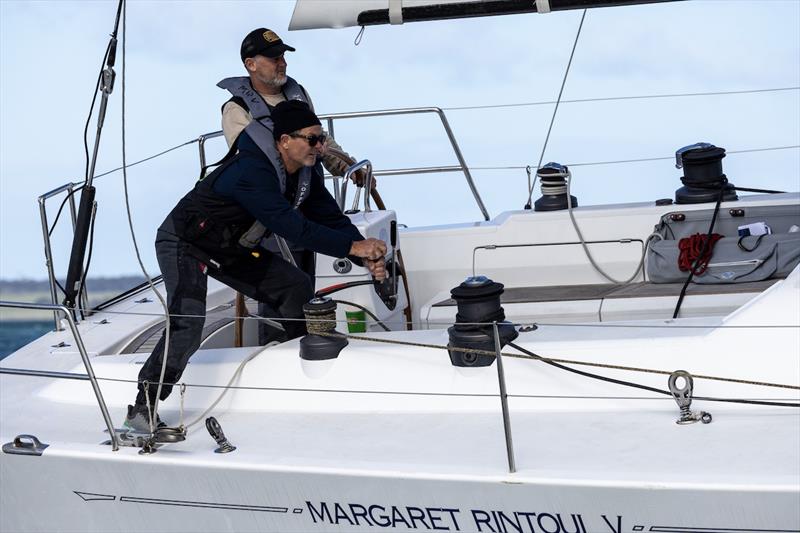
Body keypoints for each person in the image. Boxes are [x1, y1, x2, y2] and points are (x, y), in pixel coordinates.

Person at [124, 100, 387, 432]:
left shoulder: (306, 171)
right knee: (188, 320)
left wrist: (361, 256)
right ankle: (143, 406)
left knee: (295, 286)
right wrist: (353, 246)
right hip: (186, 243)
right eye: (312, 139)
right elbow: (292, 226)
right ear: (284, 141)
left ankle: (302, 377)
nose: (320, 147)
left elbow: (330, 218)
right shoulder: (252, 170)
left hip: (230, 246)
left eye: (321, 138)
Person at [217, 28, 369, 344]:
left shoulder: (298, 94)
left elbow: (319, 138)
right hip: (268, 213)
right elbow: (252, 162)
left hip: (305, 200)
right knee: (277, 288)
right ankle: (275, 348)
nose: (281, 63)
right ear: (251, 64)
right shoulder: (237, 110)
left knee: (304, 282)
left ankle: (307, 344)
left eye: (283, 56)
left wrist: (344, 165)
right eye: (274, 58)